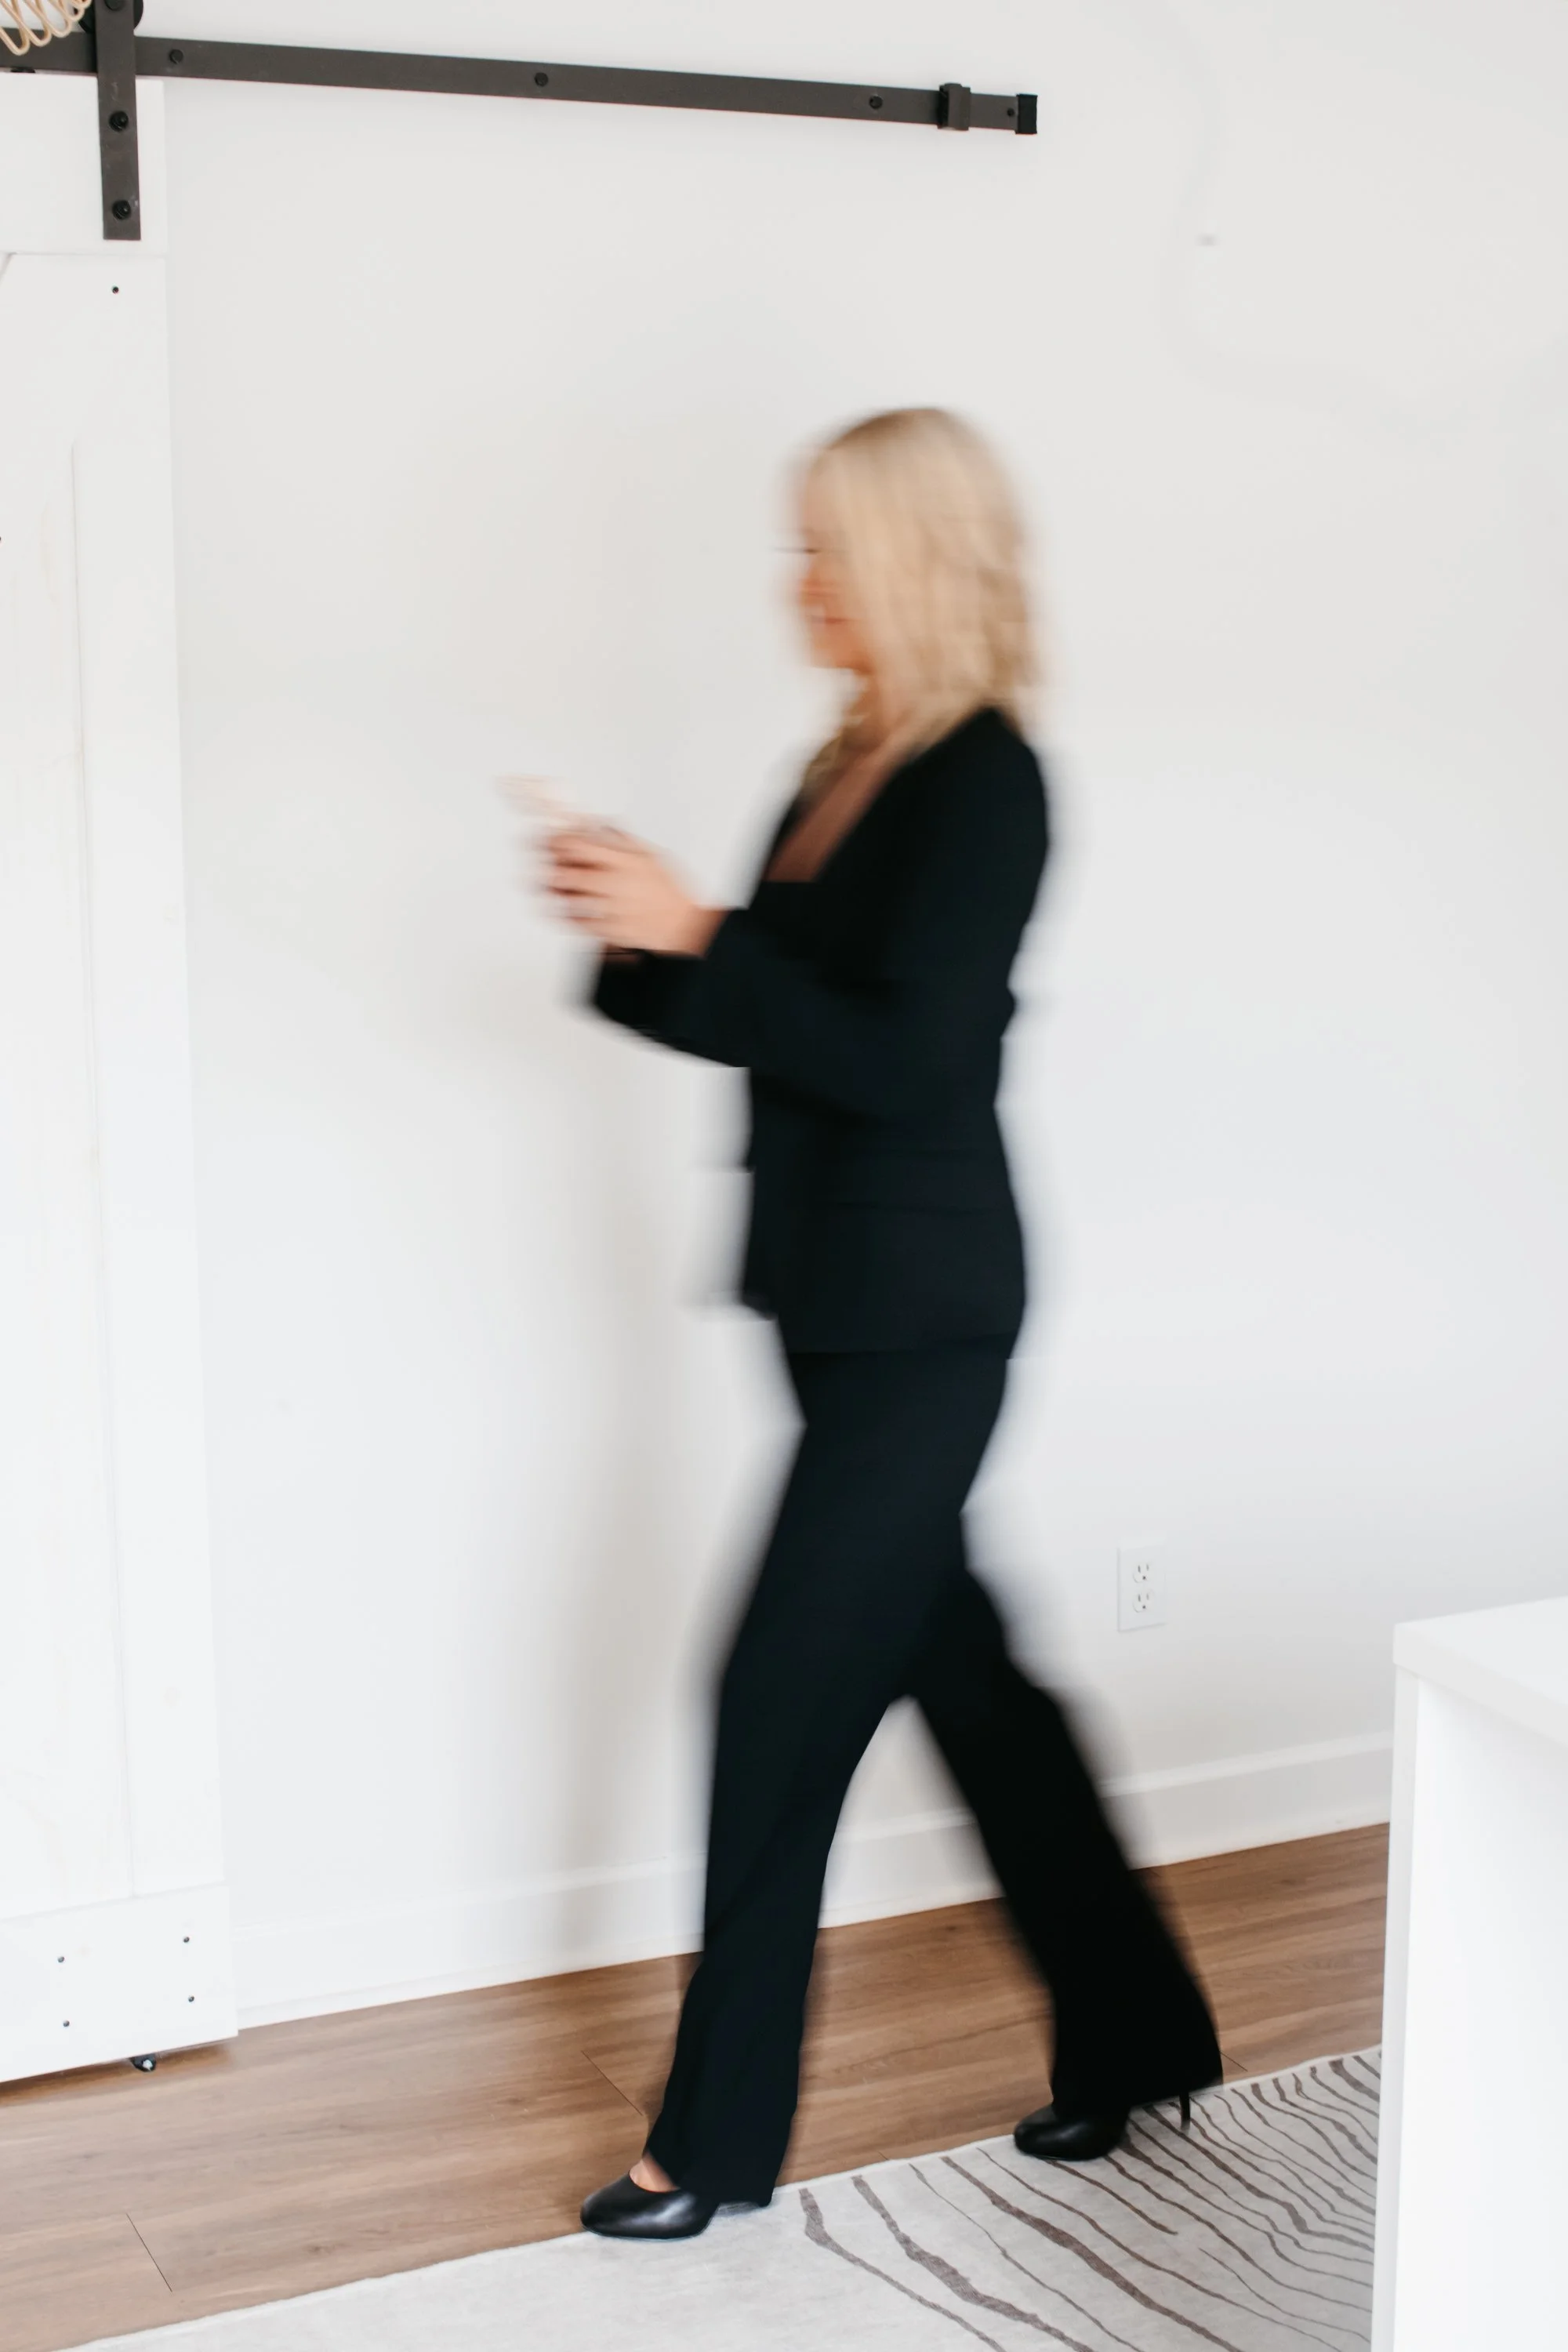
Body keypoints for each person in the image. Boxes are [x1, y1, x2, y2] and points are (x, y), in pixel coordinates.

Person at [542, 408, 1221, 2242]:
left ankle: (714, 2147)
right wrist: (637, 933)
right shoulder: (837, 765)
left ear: (909, 562)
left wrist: (705, 932)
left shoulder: (985, 781)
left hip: (926, 1320)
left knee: (768, 1697)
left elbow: (915, 1060)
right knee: (980, 1699)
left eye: (827, 551)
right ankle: (1142, 2036)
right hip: (825, 1305)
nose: (800, 585)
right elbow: (771, 1024)